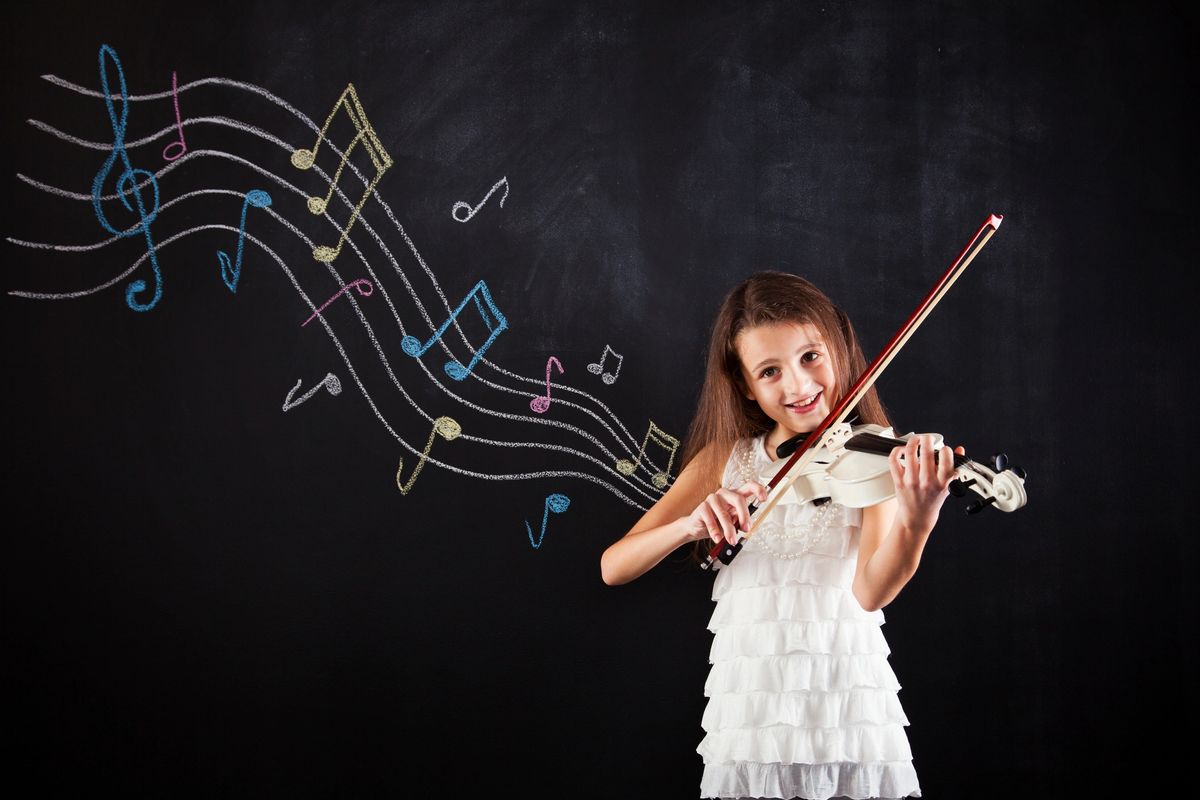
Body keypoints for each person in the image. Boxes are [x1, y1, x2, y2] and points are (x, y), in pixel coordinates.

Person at [600, 271, 964, 800]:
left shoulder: (873, 452)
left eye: (811, 357)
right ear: (746, 385)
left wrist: (918, 518)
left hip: (843, 703)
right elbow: (614, 566)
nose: (798, 385)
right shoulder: (725, 460)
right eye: (770, 371)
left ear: (838, 349)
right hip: (750, 709)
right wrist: (690, 524)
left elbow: (870, 592)